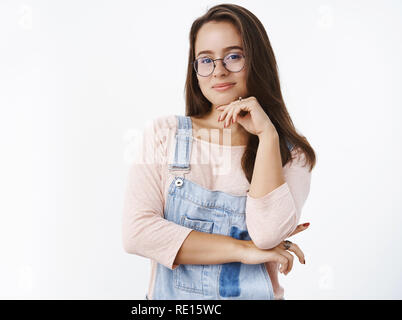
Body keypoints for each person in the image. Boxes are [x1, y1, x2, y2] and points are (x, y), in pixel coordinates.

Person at [122, 3, 316, 300]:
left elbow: (266, 235)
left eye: (234, 56)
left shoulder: (291, 154)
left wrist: (266, 136)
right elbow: (137, 233)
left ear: (257, 61)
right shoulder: (164, 134)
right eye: (206, 60)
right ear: (196, 69)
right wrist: (243, 250)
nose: (219, 71)